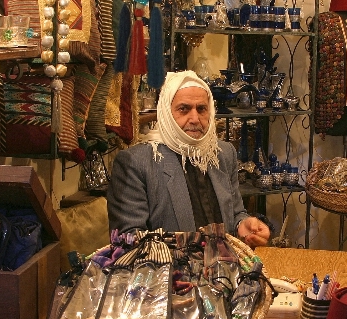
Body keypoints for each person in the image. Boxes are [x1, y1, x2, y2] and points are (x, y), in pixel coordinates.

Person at [107, 70, 271, 247]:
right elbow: (128, 240)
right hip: (169, 271)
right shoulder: (137, 162)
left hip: (223, 270)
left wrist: (242, 225)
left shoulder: (223, 154)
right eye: (183, 109)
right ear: (166, 112)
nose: (194, 118)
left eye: (201, 109)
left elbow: (235, 212)